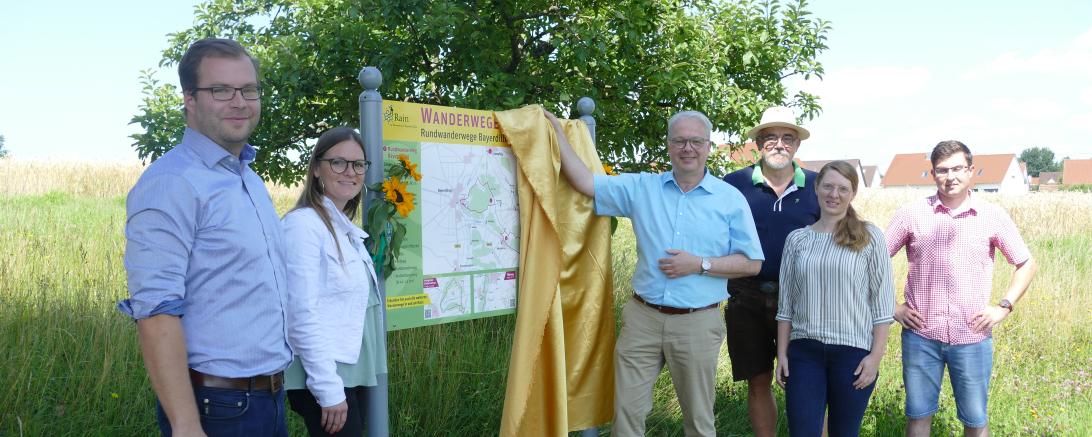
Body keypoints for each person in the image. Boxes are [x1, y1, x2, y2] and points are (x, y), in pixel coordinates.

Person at [548, 109, 765, 436]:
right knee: (626, 414)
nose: (687, 148)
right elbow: (583, 181)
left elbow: (752, 263)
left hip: (697, 322)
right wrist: (555, 132)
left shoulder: (729, 199)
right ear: (668, 145)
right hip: (643, 319)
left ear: (708, 146)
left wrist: (700, 264)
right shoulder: (641, 188)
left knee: (698, 420)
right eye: (679, 140)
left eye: (695, 141)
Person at [118, 38, 292, 436]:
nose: (239, 102)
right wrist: (186, 425)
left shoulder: (248, 179)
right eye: (221, 90)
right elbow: (156, 312)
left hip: (269, 398)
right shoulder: (172, 183)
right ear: (190, 100)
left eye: (248, 90)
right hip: (218, 410)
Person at [887, 141, 1038, 437]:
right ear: (932, 174)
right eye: (942, 170)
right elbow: (872, 260)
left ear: (970, 171)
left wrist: (1003, 306)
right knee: (918, 417)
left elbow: (1026, 263)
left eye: (957, 168)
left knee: (975, 420)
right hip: (921, 337)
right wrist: (892, 307)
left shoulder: (991, 216)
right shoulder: (911, 214)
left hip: (972, 336)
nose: (950, 176)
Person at [773, 160, 896, 436]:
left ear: (852, 193)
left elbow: (883, 304)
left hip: (853, 355)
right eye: (828, 186)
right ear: (816, 188)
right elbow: (786, 307)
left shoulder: (869, 236)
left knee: (844, 432)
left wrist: (875, 358)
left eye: (843, 188)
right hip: (804, 354)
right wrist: (782, 354)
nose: (834, 194)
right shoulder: (797, 240)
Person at [720, 106, 820, 437]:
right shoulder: (733, 185)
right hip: (746, 297)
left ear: (797, 146)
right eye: (771, 137)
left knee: (802, 380)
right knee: (758, 380)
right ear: (759, 143)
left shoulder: (819, 187)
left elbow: (845, 238)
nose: (779, 144)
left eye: (787, 137)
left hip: (804, 301)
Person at [281, 126, 386, 436]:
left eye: (357, 164)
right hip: (328, 373)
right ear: (316, 169)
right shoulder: (303, 226)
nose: (349, 172)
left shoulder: (345, 230)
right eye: (338, 162)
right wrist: (328, 389)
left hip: (353, 369)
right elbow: (300, 313)